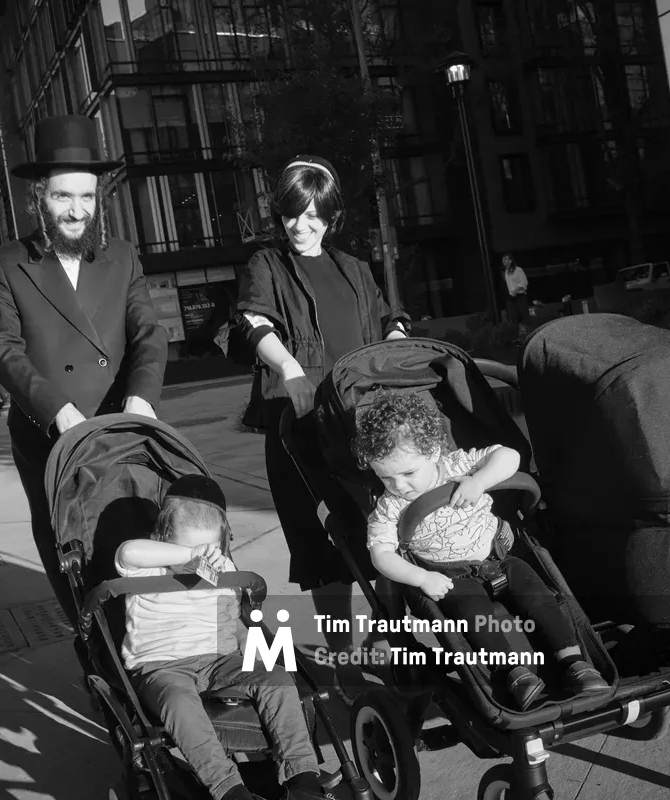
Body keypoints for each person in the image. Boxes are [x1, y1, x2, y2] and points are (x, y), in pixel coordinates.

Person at [228, 155, 411, 699]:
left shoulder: (354, 268)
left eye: (313, 215)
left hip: (361, 420)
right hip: (301, 427)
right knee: (323, 547)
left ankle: (397, 644)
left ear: (331, 216)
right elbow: (252, 320)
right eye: (292, 213)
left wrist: (396, 346)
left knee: (386, 530)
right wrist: (288, 369)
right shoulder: (267, 263)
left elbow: (389, 317)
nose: (302, 225)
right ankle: (344, 659)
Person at [0, 114, 168, 617]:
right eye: (64, 197)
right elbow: (3, 349)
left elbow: (148, 332)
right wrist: (58, 410)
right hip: (50, 435)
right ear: (38, 196)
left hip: (122, 426)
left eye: (87, 197)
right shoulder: (6, 262)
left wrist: (142, 398)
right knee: (74, 556)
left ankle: (155, 655)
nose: (77, 210)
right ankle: (96, 658)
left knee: (138, 543)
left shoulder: (123, 256)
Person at [354, 390, 609, 711]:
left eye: (408, 473)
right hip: (448, 576)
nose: (400, 486)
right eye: (386, 477)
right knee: (475, 615)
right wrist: (420, 578)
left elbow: (509, 456)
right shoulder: (389, 507)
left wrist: (480, 480)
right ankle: (515, 673)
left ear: (432, 451)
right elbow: (381, 555)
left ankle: (573, 661)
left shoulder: (458, 465)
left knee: (539, 597)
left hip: (499, 559)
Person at [116, 475, 327, 800]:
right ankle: (229, 790)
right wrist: (186, 554)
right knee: (178, 702)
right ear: (165, 538)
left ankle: (303, 779)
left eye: (210, 549)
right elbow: (129, 551)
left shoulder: (220, 567)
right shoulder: (148, 569)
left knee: (276, 677)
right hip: (163, 667)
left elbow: (235, 616)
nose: (202, 558)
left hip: (219, 660)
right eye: (190, 547)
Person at [501, 253, 530, 337]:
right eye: (503, 259)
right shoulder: (506, 272)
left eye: (506, 259)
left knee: (523, 316)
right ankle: (517, 337)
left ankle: (525, 335)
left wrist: (515, 290)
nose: (504, 260)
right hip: (511, 298)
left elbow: (524, 282)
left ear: (510, 260)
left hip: (520, 296)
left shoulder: (518, 270)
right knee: (513, 318)